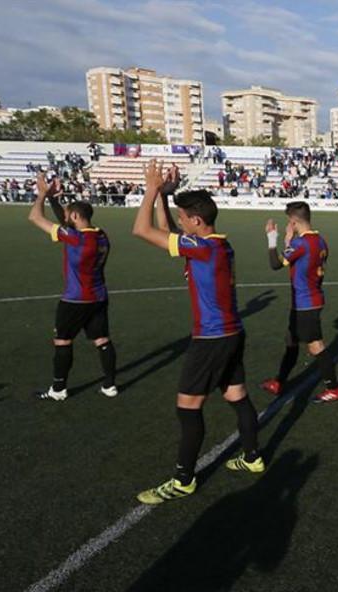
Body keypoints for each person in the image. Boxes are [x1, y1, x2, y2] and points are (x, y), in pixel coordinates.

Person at [130, 161, 263, 504]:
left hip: (211, 338)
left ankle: (183, 479)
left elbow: (142, 230)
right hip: (232, 332)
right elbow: (167, 228)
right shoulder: (218, 244)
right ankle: (252, 456)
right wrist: (163, 196)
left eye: (185, 218)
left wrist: (149, 190)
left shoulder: (202, 248)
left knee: (187, 408)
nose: (181, 223)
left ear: (197, 222)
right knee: (237, 396)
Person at [27, 172, 117, 401]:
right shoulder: (101, 235)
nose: (64, 218)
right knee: (102, 340)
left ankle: (58, 389)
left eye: (68, 215)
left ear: (75, 216)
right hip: (98, 296)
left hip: (75, 299)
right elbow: (67, 224)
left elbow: (34, 218)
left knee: (63, 341)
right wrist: (55, 201)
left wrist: (42, 196)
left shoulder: (76, 239)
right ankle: (110, 385)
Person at [258, 202, 338, 403]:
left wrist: (272, 238)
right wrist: (289, 241)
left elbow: (275, 264)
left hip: (306, 303)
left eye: (289, 222)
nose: (289, 225)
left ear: (294, 222)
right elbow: (304, 262)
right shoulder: (320, 241)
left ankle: (334, 388)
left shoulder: (301, 244)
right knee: (291, 341)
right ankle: (279, 381)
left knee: (315, 346)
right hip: (308, 299)